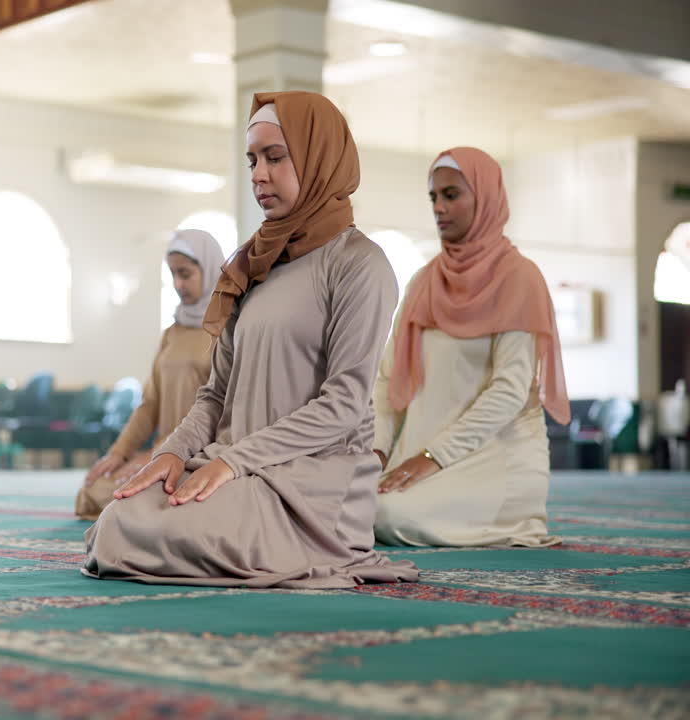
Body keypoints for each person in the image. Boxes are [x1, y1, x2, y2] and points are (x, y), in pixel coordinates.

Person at [82, 91, 418, 588]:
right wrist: (169, 456)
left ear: (317, 156)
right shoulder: (254, 264)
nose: (259, 174)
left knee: (169, 531)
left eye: (275, 157)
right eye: (252, 160)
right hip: (234, 465)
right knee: (119, 519)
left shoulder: (359, 264)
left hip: (310, 482)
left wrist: (233, 462)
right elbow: (216, 394)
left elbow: (344, 404)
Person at [373, 147, 569, 547]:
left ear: (486, 198)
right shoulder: (424, 282)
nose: (439, 208)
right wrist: (374, 455)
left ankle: (512, 520)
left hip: (498, 460)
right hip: (419, 460)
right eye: (433, 197)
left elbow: (510, 390)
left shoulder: (519, 278)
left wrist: (432, 457)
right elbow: (387, 382)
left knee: (386, 516)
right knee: (341, 506)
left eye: (451, 195)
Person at [75, 230, 225, 520]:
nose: (178, 284)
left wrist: (163, 454)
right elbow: (150, 405)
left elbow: (220, 409)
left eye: (185, 274)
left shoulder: (227, 328)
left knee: (128, 496)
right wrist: (119, 453)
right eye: (172, 274)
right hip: (163, 450)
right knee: (95, 489)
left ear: (208, 269)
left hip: (201, 455)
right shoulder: (173, 331)